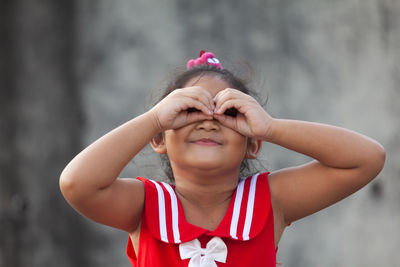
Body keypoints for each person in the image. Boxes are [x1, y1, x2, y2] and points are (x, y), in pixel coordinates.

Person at [59, 51, 385, 267]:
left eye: (229, 112)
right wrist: (154, 119)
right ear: (159, 139)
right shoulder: (146, 204)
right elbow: (77, 183)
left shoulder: (269, 201)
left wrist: (270, 127)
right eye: (188, 111)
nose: (208, 121)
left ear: (252, 145)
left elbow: (367, 158)